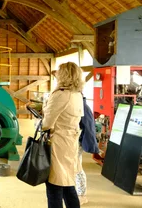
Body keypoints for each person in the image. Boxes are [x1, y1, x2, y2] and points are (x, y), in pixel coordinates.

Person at [42, 62, 84, 208]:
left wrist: (43, 110)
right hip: (71, 142)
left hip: (58, 144)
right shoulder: (77, 94)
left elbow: (47, 123)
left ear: (64, 75)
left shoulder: (60, 94)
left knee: (54, 187)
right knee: (68, 185)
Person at [76, 97, 99, 205]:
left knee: (77, 167)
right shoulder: (75, 104)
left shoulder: (83, 107)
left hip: (77, 141)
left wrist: (91, 146)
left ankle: (82, 195)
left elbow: (89, 129)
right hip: (70, 141)